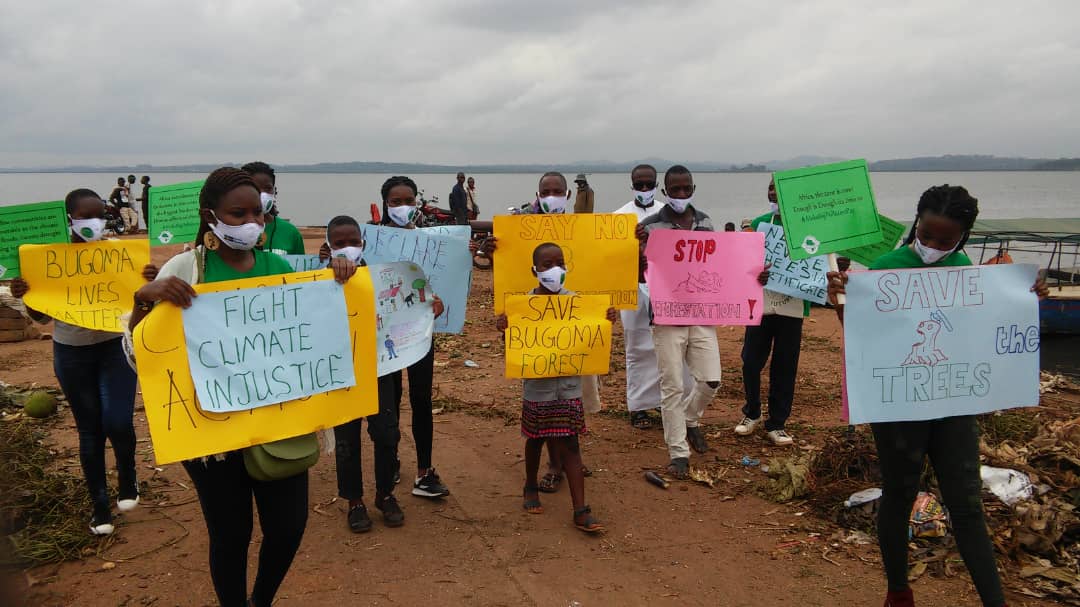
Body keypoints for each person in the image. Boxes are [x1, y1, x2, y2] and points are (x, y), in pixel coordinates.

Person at [128, 167, 341, 607]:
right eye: (237, 213)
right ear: (211, 215)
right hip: (212, 434)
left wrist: (342, 279)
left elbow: (311, 335)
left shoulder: (278, 267)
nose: (250, 223)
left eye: (257, 213)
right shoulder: (185, 268)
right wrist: (143, 299)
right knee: (230, 535)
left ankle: (260, 600)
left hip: (279, 424)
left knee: (288, 528)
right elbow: (139, 353)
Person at [827, 184, 1047, 607]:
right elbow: (865, 342)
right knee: (899, 494)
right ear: (916, 225)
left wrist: (1026, 298)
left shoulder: (969, 273)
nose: (932, 246)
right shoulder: (887, 269)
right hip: (899, 409)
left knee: (967, 505)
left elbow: (987, 330)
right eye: (926, 235)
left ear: (962, 239)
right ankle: (898, 591)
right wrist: (842, 303)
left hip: (953, 405)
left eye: (945, 241)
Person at [11, 189, 152, 536]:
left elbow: (142, 302)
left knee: (118, 421)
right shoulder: (48, 260)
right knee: (89, 430)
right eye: (87, 217)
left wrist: (149, 280)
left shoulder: (120, 256)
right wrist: (25, 294)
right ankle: (100, 506)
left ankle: (128, 476)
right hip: (71, 354)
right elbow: (41, 317)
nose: (96, 223)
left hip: (114, 348)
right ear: (69, 219)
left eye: (101, 215)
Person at [496, 242, 611, 533]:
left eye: (559, 263)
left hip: (569, 386)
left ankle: (580, 510)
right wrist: (506, 329)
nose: (554, 269)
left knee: (571, 443)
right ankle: (530, 486)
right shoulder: (523, 305)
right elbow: (514, 347)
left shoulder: (578, 302)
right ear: (534, 270)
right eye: (547, 265)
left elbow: (591, 336)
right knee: (535, 438)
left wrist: (604, 320)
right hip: (538, 387)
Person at [635, 165, 723, 479]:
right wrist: (639, 253)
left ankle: (690, 418)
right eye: (675, 190)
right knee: (671, 385)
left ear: (693, 188)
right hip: (666, 315)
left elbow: (720, 265)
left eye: (686, 189)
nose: (681, 195)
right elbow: (639, 273)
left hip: (701, 313)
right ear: (665, 191)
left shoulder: (706, 222)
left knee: (711, 379)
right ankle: (678, 452)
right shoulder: (649, 227)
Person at [376, 176, 451, 507]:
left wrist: (438, 301)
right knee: (388, 400)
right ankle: (389, 463)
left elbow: (440, 281)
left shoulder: (431, 242)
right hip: (384, 337)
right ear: (384, 203)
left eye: (410, 200)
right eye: (395, 201)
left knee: (421, 399)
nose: (403, 207)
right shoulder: (370, 241)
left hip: (420, 333)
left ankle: (424, 470)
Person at [614, 164, 693, 430]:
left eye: (649, 184)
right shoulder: (619, 216)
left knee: (669, 348)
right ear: (632, 184)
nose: (645, 189)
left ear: (657, 184)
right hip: (634, 288)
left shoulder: (667, 213)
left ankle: (665, 401)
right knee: (637, 348)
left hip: (666, 289)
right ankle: (638, 406)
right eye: (640, 184)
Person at [735, 178, 805, 446]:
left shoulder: (805, 226)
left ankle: (777, 423)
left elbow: (818, 262)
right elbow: (742, 262)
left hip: (792, 305)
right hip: (761, 304)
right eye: (770, 189)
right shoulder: (759, 224)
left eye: (779, 190)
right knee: (750, 361)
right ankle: (751, 412)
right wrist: (756, 272)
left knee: (785, 366)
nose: (773, 194)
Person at [242, 161, 306, 255]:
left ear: (274, 191)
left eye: (268, 188)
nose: (262, 194)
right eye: (255, 188)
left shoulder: (290, 232)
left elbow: (300, 266)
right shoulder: (232, 229)